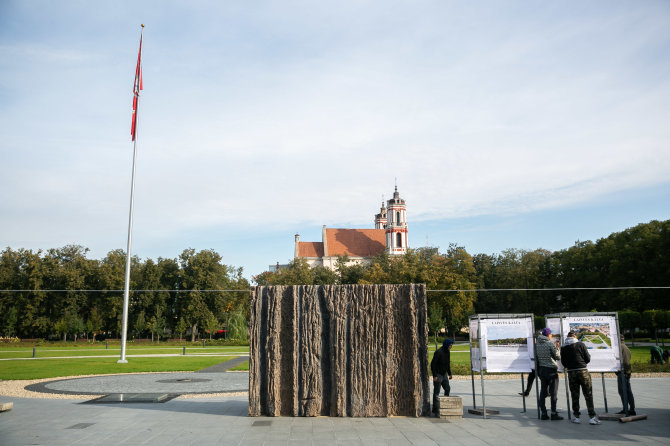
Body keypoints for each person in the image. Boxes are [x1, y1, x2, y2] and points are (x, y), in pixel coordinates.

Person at [561, 331, 600, 425]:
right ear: (575, 336)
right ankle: (592, 417)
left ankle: (576, 417)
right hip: (583, 371)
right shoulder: (581, 344)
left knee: (575, 395)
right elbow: (588, 358)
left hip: (571, 372)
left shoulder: (563, 347)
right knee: (588, 394)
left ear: (567, 337)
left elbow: (563, 363)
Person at [536, 328, 563, 420]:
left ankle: (543, 413)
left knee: (543, 391)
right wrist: (558, 348)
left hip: (542, 369)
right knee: (553, 392)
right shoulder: (550, 344)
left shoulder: (538, 344)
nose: (551, 336)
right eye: (551, 334)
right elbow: (558, 357)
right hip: (551, 370)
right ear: (548, 335)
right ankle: (553, 413)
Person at [431, 338, 453, 416]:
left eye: (451, 345)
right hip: (438, 375)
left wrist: (449, 374)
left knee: (447, 388)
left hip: (444, 375)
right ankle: (435, 409)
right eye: (450, 345)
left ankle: (444, 405)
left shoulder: (448, 352)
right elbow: (433, 364)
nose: (451, 347)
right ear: (446, 344)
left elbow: (447, 364)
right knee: (436, 392)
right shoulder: (438, 352)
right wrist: (435, 375)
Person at [616, 334, 636, 415]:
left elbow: (626, 362)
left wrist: (625, 372)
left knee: (624, 391)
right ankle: (630, 409)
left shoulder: (621, 347)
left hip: (623, 373)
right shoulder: (624, 347)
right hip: (625, 372)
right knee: (627, 391)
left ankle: (627, 409)